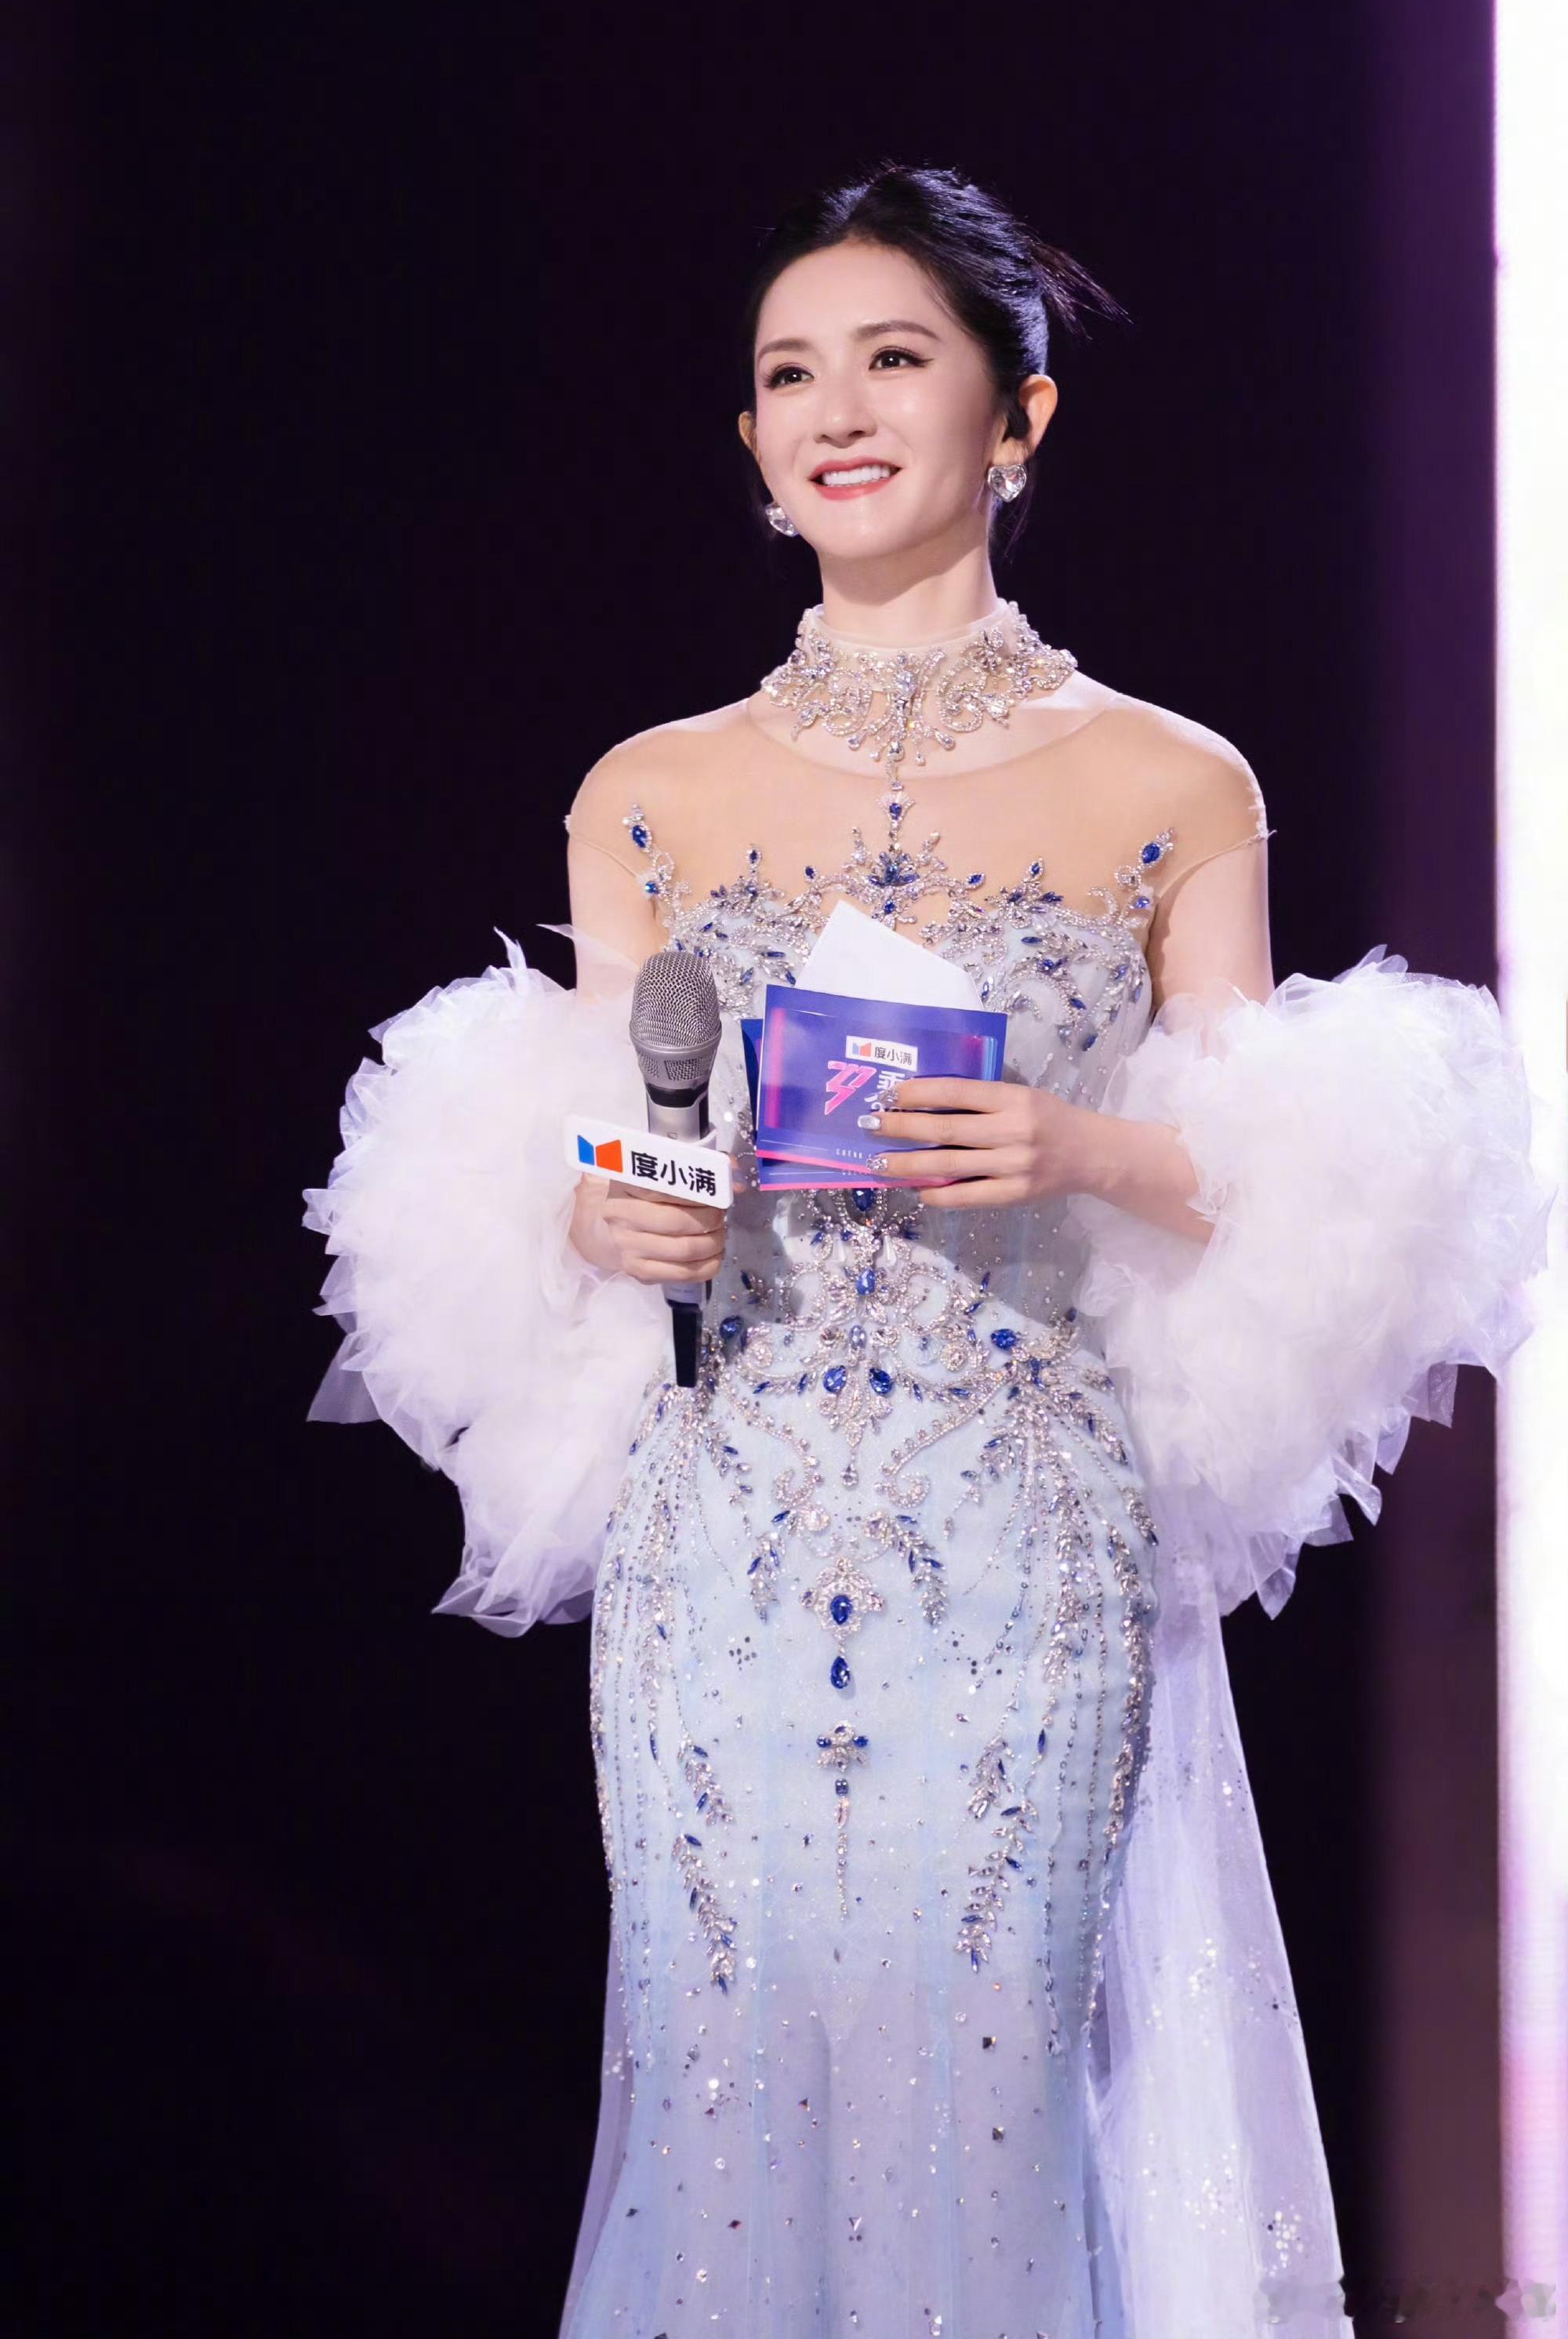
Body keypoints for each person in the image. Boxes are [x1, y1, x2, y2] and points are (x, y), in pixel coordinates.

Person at [302, 165, 1553, 2338]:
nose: (837, 410)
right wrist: (608, 1211)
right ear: (753, 440)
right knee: (723, 2101)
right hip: (726, 1541)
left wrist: (1084, 1143)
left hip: (1026, 1531)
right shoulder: (648, 795)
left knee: (991, 2100)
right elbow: (626, 1145)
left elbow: (1304, 1191)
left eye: (894, 358)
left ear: (1020, 418)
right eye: (791, 374)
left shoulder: (1170, 783)